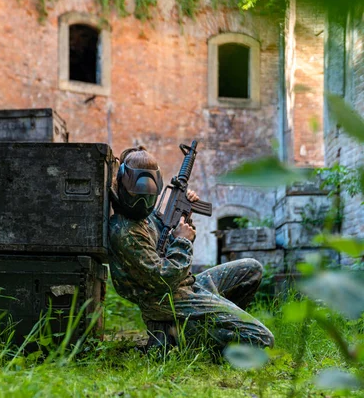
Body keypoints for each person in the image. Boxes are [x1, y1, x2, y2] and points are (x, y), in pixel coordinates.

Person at [108, 146, 274, 351]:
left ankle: (197, 326)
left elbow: (168, 244)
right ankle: (187, 340)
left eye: (148, 195)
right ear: (123, 188)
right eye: (138, 194)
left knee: (251, 268)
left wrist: (184, 216)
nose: (143, 201)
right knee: (262, 339)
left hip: (184, 286)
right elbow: (163, 278)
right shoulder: (124, 230)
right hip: (165, 300)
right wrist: (183, 241)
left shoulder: (145, 218)